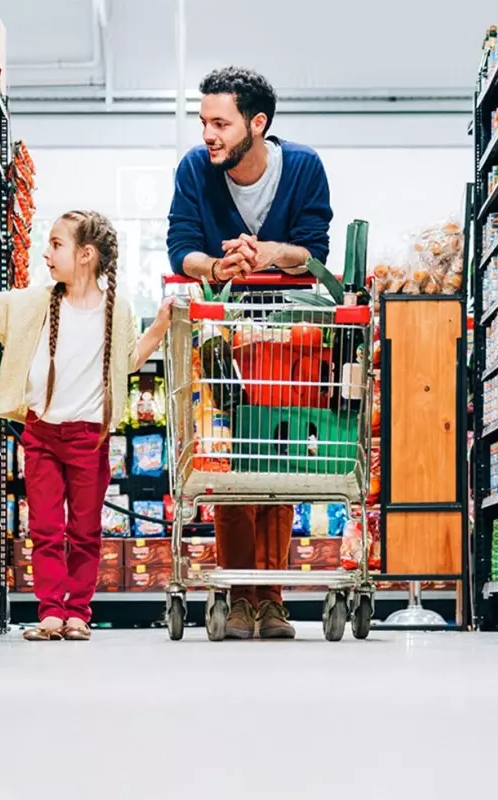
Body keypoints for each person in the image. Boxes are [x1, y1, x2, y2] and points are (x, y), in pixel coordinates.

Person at [0, 211, 171, 641]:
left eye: (57, 245)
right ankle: (50, 612)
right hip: (42, 434)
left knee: (85, 530)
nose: (47, 253)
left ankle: (78, 612)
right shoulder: (38, 302)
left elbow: (126, 363)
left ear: (86, 255)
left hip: (89, 438)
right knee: (45, 527)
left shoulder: (116, 311)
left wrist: (158, 327)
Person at [167, 66, 333, 640]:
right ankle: (240, 595)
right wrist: (215, 266)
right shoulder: (195, 169)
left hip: (291, 336)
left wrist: (267, 254)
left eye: (220, 122)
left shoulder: (305, 168)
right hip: (224, 332)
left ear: (256, 123)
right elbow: (181, 246)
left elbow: (314, 252)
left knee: (281, 459)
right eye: (204, 121)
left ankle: (273, 598)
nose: (208, 134)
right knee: (234, 460)